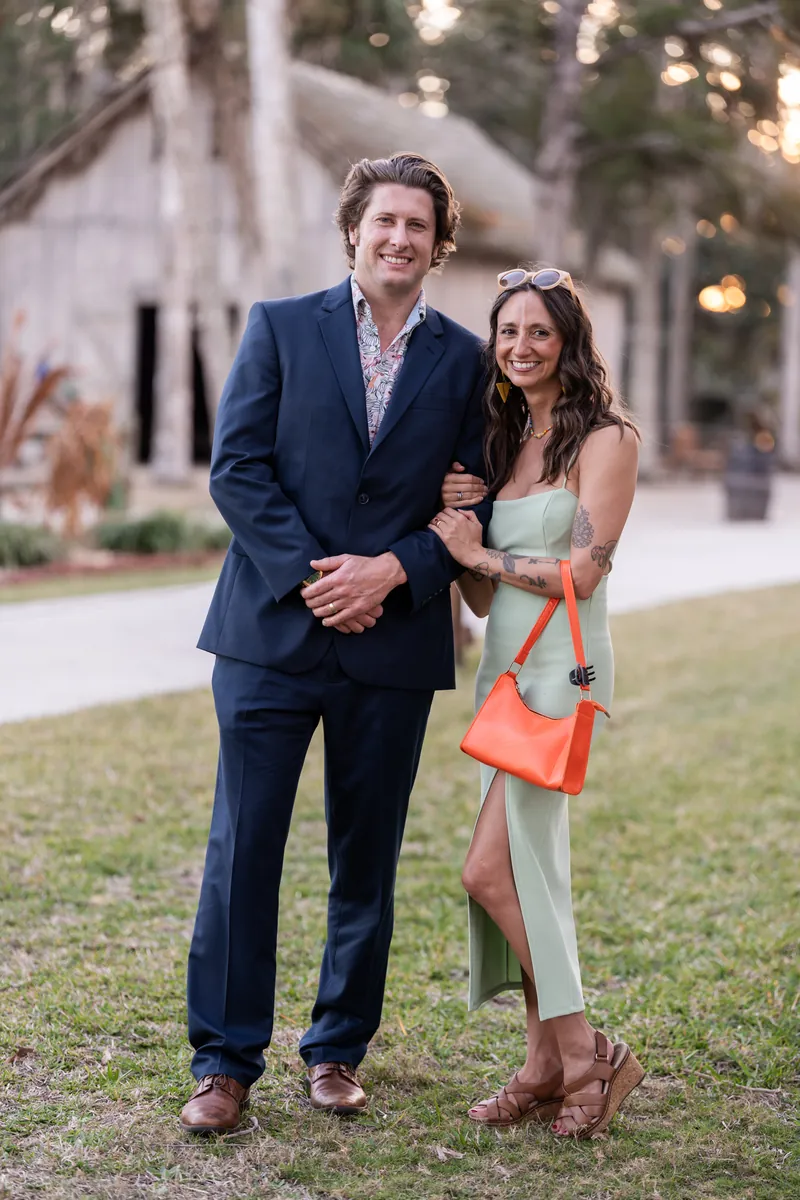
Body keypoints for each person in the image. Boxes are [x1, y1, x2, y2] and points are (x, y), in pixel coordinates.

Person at [179, 153, 492, 1134]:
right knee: (243, 849)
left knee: (367, 857)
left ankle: (337, 1049)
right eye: (383, 220)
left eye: (417, 225)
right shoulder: (278, 327)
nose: (399, 238)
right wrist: (323, 582)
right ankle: (223, 1063)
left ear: (438, 245)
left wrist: (391, 572)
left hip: (392, 645)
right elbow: (237, 469)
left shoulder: (467, 361)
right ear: (353, 228)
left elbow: (472, 505)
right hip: (270, 635)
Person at [429, 266, 643, 1139]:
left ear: (569, 342)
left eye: (539, 332)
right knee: (525, 870)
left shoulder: (607, 438)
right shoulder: (507, 442)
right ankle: (543, 1065)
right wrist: (458, 535)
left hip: (563, 674)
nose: (521, 347)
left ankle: (587, 1053)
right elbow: (486, 601)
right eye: (508, 331)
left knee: (490, 873)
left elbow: (584, 573)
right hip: (505, 675)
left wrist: (478, 554)